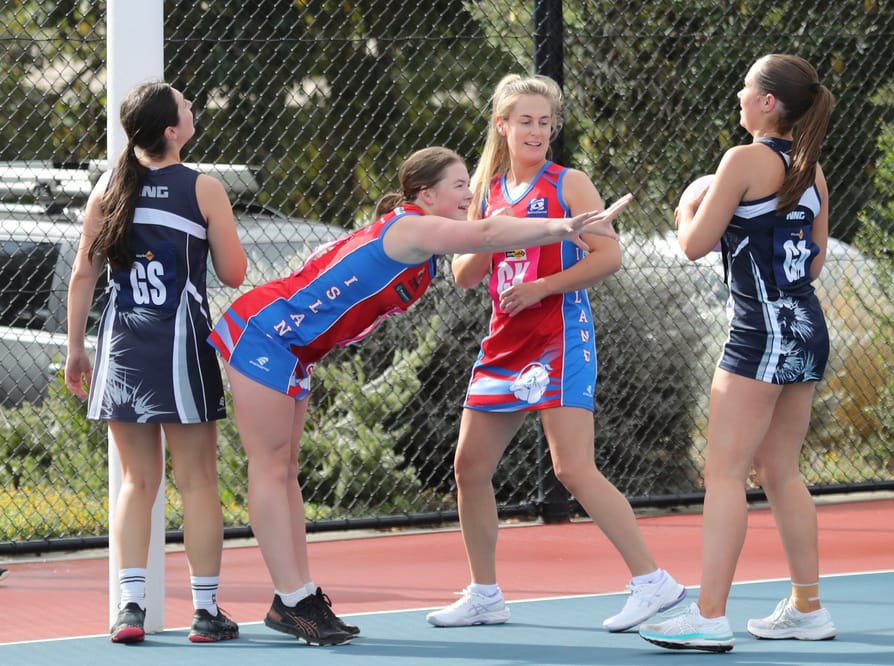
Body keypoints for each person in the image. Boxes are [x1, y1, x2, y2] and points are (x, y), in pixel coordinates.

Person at [206, 146, 630, 646]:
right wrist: (563, 226)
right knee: (271, 466)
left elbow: (479, 251)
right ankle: (292, 598)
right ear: (426, 196)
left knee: (286, 469)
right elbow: (489, 233)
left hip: (296, 348)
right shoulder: (410, 228)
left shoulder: (422, 244)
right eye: (458, 187)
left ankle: (298, 597)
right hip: (266, 333)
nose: (469, 195)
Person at [425, 74, 685, 633]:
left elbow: (608, 258)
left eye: (545, 122)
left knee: (571, 467)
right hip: (504, 340)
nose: (537, 131)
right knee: (469, 467)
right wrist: (485, 234)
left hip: (557, 335)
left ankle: (652, 582)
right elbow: (466, 275)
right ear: (503, 124)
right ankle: (485, 594)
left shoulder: (570, 184)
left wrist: (543, 285)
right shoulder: (488, 190)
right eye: (526, 121)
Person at [638, 54, 836, 653]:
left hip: (760, 330)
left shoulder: (742, 160)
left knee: (722, 473)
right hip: (805, 325)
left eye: (747, 87)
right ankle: (807, 607)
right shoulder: (811, 169)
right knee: (779, 470)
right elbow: (817, 257)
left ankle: (708, 614)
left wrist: (686, 209)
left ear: (770, 102)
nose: (739, 95)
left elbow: (694, 246)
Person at [64, 81, 247, 644]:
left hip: (121, 348)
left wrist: (76, 349)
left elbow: (82, 276)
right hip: (181, 346)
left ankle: (130, 608)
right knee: (197, 482)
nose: (192, 109)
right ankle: (205, 611)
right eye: (186, 106)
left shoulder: (109, 188)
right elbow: (235, 274)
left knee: (136, 483)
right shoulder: (204, 188)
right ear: (172, 131)